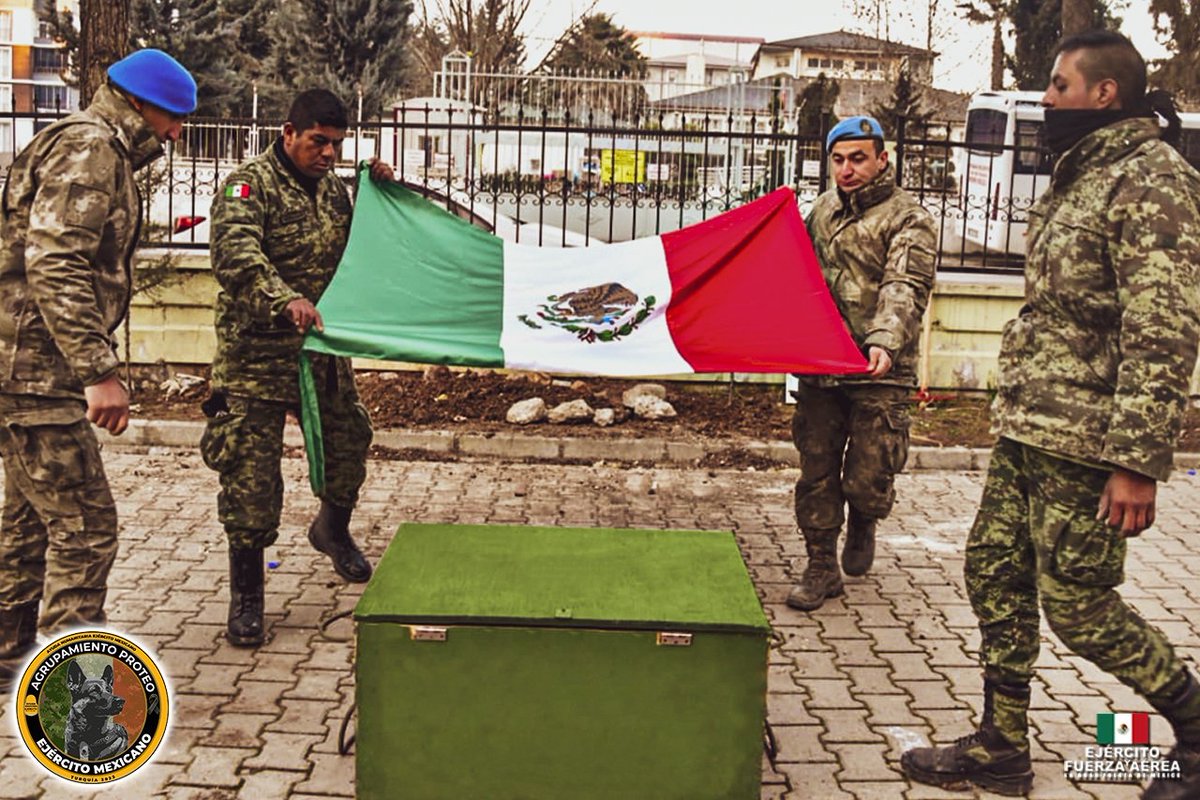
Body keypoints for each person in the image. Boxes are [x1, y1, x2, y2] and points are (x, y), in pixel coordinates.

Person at [900, 31, 1200, 799]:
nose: (1046, 99)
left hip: (1091, 440)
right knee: (994, 571)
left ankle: (1196, 727)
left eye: (1059, 86)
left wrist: (1138, 461)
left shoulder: (1151, 180)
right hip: (1031, 426)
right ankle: (1002, 748)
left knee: (1078, 603)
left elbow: (1162, 329)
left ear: (1104, 94)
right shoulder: (1082, 173)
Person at [0, 50, 197, 691]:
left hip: (21, 364)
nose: (174, 134)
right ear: (141, 104)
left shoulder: (86, 146)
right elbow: (56, 263)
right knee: (87, 530)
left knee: (29, 519)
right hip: (39, 372)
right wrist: (97, 371)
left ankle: (7, 657)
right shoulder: (91, 149)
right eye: (172, 119)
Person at [204, 89, 393, 647]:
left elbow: (360, 248)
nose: (329, 153)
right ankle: (247, 597)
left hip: (320, 354)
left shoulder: (334, 191)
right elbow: (235, 255)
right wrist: (283, 297)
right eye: (318, 142)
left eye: (337, 144)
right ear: (289, 133)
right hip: (254, 359)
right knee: (251, 479)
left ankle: (331, 531)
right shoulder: (249, 185)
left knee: (348, 443)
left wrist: (379, 194)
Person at [785, 115, 937, 611]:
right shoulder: (822, 210)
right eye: (838, 159)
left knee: (865, 478)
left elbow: (904, 285)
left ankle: (866, 516)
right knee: (817, 469)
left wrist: (885, 339)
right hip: (822, 363)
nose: (846, 170)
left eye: (857, 159)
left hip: (880, 368)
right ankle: (821, 567)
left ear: (881, 159)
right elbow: (794, 269)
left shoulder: (908, 217)